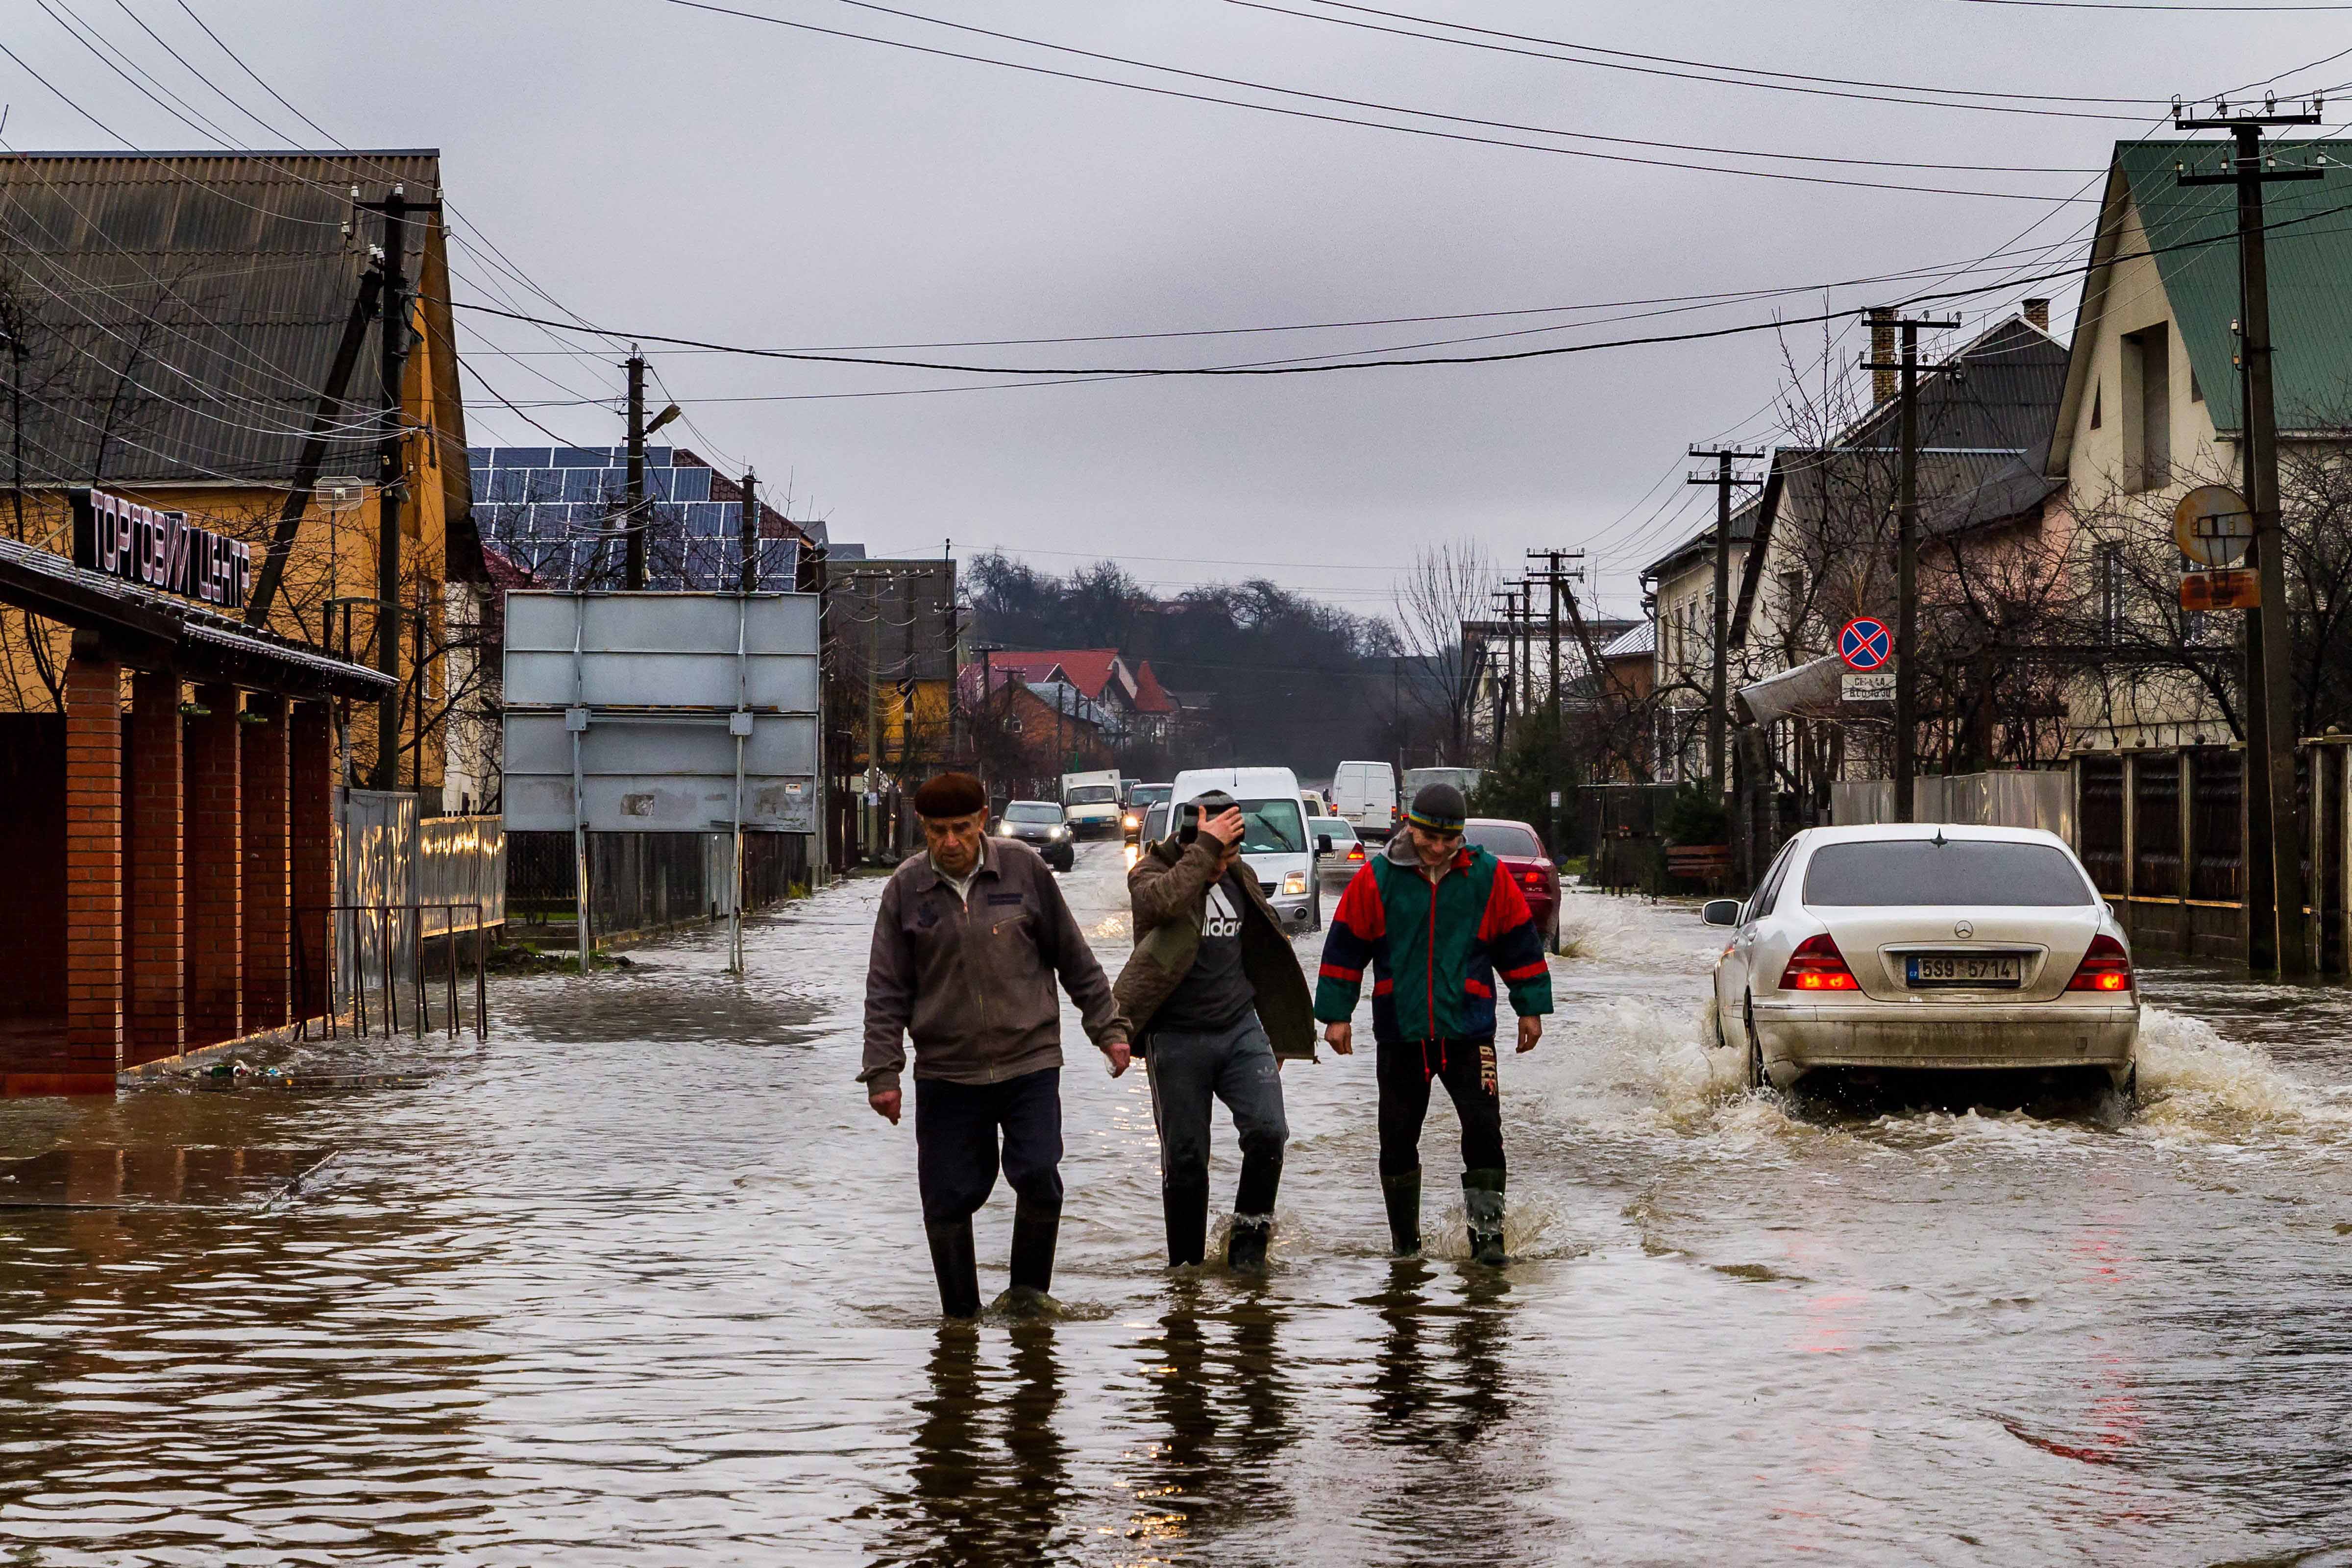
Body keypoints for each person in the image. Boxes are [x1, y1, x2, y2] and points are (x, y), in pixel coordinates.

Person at [862, 771, 1132, 1318]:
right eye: (938, 831)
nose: (951, 841)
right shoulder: (905, 890)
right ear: (924, 828)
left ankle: (1029, 1304)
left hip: (1028, 1060)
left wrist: (1109, 1028)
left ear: (983, 820)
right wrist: (884, 1073)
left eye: (961, 827)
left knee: (1037, 1173)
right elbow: (886, 989)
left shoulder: (1024, 869)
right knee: (947, 1196)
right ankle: (959, 1320)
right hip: (946, 1071)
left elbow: (1074, 956)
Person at [1314, 783, 1552, 1265]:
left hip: (1471, 1030)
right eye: (1429, 837)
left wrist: (1530, 1006)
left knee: (1485, 1133)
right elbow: (1344, 948)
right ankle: (1406, 1247)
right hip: (1401, 1032)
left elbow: (1519, 943)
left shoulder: (1487, 876)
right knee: (1397, 1138)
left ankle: (1488, 1245)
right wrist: (1336, 1015)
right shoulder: (1376, 878)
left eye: (1449, 839)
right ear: (1409, 826)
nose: (1439, 848)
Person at [1116, 790, 1317, 1273]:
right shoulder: (1149, 873)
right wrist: (1204, 851)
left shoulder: (1239, 876)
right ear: (1190, 841)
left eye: (1230, 853)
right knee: (1185, 1159)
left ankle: (1247, 1256)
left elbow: (1266, 956)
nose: (1220, 865)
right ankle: (1184, 1274)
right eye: (1213, 852)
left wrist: (1282, 1031)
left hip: (1239, 1029)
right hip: (1176, 1036)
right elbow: (1163, 904)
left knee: (1270, 1132)